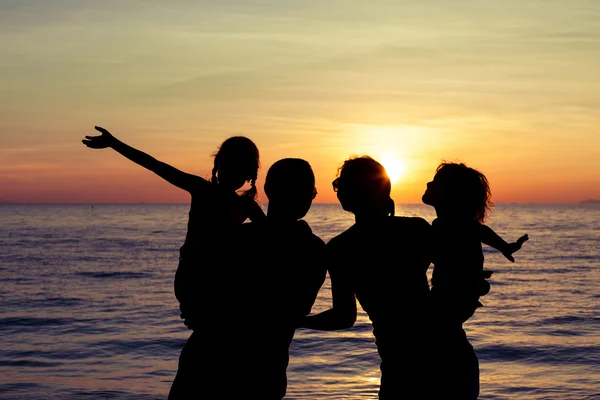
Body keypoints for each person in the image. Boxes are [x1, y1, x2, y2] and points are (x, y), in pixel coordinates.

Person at [169, 158, 327, 399]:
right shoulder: (312, 249)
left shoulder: (231, 239)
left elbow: (194, 275)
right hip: (261, 371)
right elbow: (294, 312)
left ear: (268, 190)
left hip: (205, 361)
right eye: (310, 190)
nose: (310, 197)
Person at [81, 126, 266, 319]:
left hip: (219, 279)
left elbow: (274, 238)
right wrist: (114, 143)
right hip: (194, 277)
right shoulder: (201, 189)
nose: (232, 172)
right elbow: (155, 165)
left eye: (239, 168)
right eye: (229, 165)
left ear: (248, 175)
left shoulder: (247, 206)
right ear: (218, 165)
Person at [302, 155, 433, 399]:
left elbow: (343, 317)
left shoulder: (341, 248)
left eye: (340, 184)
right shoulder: (416, 228)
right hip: (447, 353)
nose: (337, 189)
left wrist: (298, 321)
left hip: (401, 366)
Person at [422, 161, 528, 399]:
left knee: (439, 324)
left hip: (455, 294)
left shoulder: (457, 224)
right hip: (454, 291)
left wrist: (504, 246)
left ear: (451, 194)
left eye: (436, 182)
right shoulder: (440, 225)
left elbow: (481, 232)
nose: (429, 183)